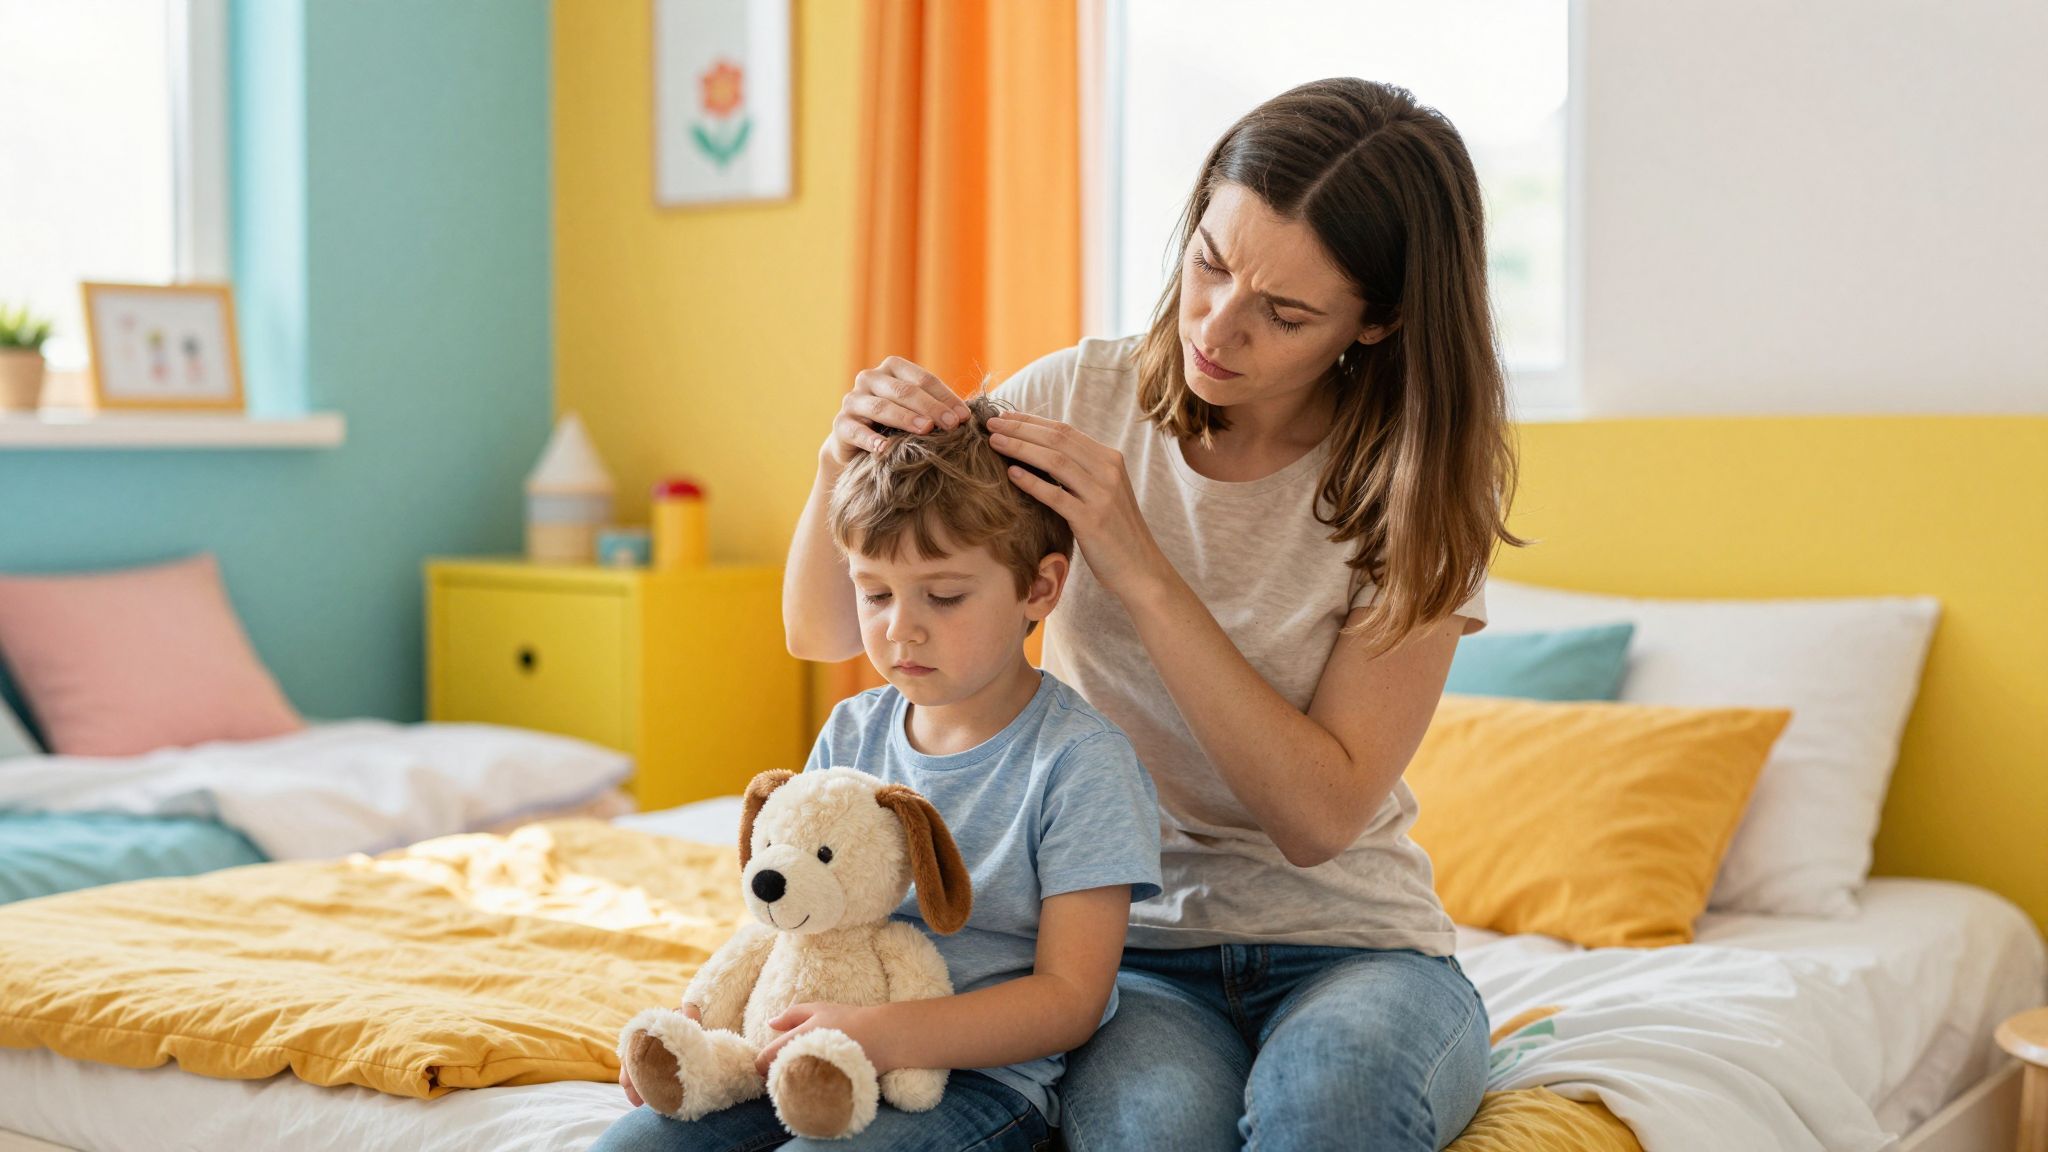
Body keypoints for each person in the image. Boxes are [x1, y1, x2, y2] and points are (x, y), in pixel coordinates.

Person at [786, 78, 1525, 1152]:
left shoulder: (1416, 492)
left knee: (1330, 1114)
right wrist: (832, 461)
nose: (1216, 330)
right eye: (1210, 265)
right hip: (1124, 952)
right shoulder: (1071, 401)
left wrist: (1137, 566)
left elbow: (1317, 821)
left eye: (1283, 314)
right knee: (1148, 1136)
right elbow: (826, 630)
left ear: (1376, 321)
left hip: (1356, 949)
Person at [601, 397, 1162, 1152]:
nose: (901, 627)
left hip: (971, 1083)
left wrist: (884, 1033)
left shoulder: (1082, 762)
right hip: (803, 1050)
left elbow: (1072, 1000)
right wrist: (704, 1023)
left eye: (945, 595)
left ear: (1039, 588)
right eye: (875, 593)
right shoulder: (854, 729)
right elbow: (792, 901)